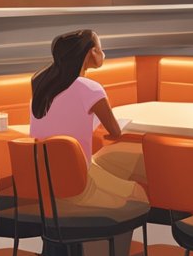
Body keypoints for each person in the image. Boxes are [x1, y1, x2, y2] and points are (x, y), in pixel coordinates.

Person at [29, 30, 146, 211]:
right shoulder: (90, 89)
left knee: (115, 163)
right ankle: (106, 236)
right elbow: (115, 131)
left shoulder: (41, 90)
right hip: (78, 182)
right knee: (138, 195)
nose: (103, 54)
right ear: (92, 52)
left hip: (44, 183)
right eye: (100, 49)